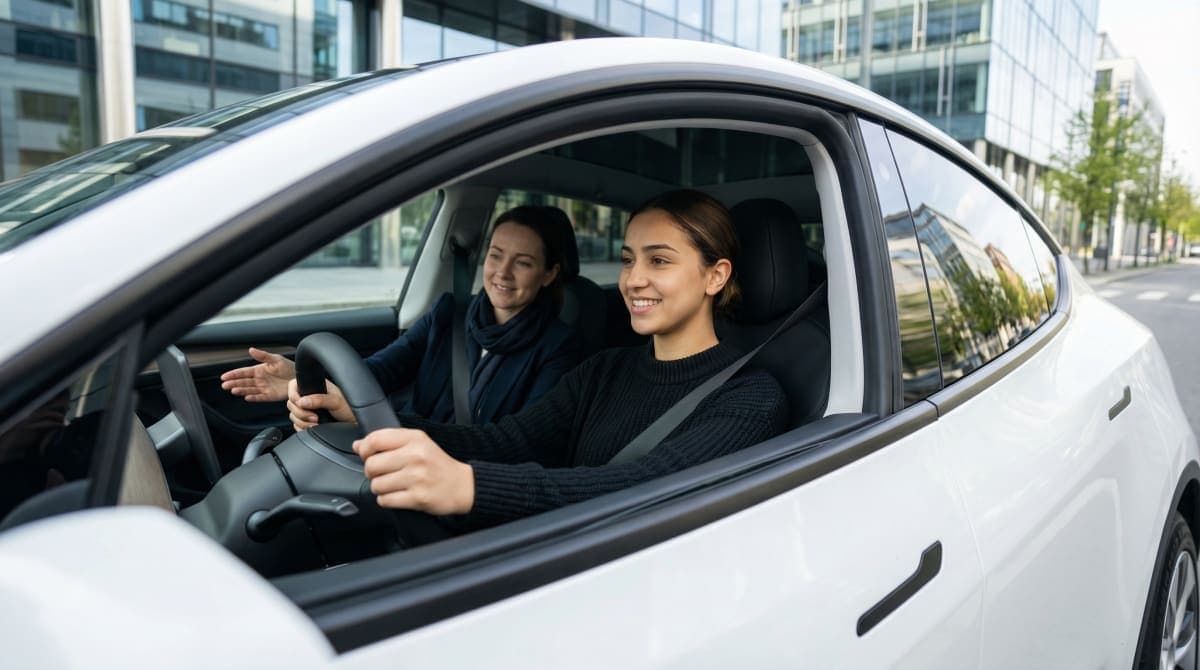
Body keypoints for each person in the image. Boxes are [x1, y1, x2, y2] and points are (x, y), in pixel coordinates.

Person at [288, 190, 787, 535]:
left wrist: (469, 487)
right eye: (628, 258)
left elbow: (642, 488)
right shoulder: (605, 369)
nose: (633, 279)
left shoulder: (751, 397)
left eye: (658, 260)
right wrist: (365, 417)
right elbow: (505, 441)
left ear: (715, 276)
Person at [221, 206, 580, 425]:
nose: (502, 272)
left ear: (549, 274)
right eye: (496, 255)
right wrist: (305, 378)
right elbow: (379, 371)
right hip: (398, 451)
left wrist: (379, 421)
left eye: (523, 263)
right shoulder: (449, 313)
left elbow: (510, 441)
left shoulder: (560, 349)